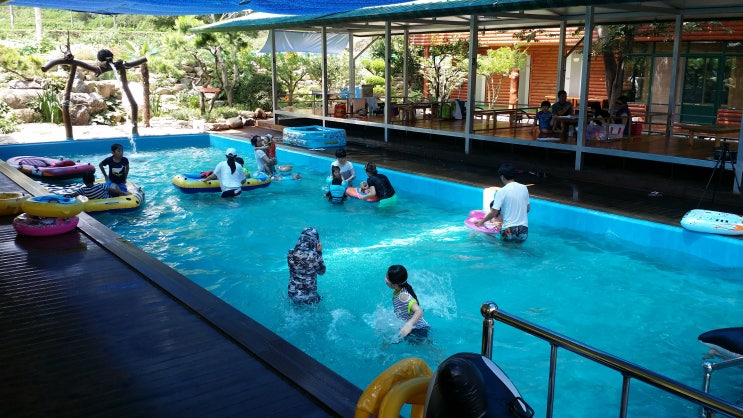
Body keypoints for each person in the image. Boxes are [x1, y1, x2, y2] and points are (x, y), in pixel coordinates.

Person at [476, 163, 530, 243]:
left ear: (502, 176)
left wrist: (481, 222)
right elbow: (527, 209)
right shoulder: (524, 188)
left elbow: (494, 213)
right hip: (523, 229)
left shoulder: (502, 191)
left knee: (503, 248)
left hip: (508, 229)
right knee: (518, 249)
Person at [384, 264, 430, 343]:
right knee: (389, 340)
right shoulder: (400, 290)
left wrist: (409, 324)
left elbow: (419, 311)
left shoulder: (403, 296)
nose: (385, 279)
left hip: (418, 330)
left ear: (394, 285)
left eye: (387, 278)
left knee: (427, 347)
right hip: (411, 328)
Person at [287, 227, 326, 304]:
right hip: (309, 298)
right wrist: (319, 252)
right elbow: (322, 271)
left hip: (292, 294)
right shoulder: (314, 256)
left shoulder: (290, 253)